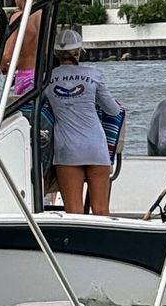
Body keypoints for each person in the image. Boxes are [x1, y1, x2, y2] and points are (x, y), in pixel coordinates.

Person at [44, 29, 120, 215]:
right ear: (78, 51)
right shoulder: (94, 75)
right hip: (96, 146)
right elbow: (113, 110)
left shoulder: (46, 79)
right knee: (101, 210)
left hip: (67, 148)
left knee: (74, 211)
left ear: (56, 52)